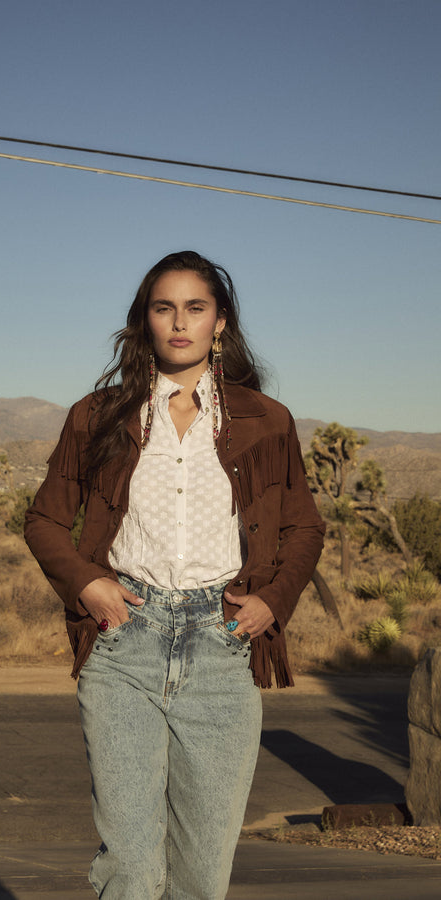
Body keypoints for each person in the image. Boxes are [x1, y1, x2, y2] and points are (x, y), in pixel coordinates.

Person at [24, 250, 325, 899]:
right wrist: (88, 582)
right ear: (146, 321)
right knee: (131, 865)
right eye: (164, 307)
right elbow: (46, 521)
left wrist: (272, 601)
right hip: (126, 640)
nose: (179, 322)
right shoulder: (99, 415)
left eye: (196, 307)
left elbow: (305, 526)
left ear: (219, 322)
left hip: (223, 646)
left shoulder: (265, 421)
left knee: (202, 873)